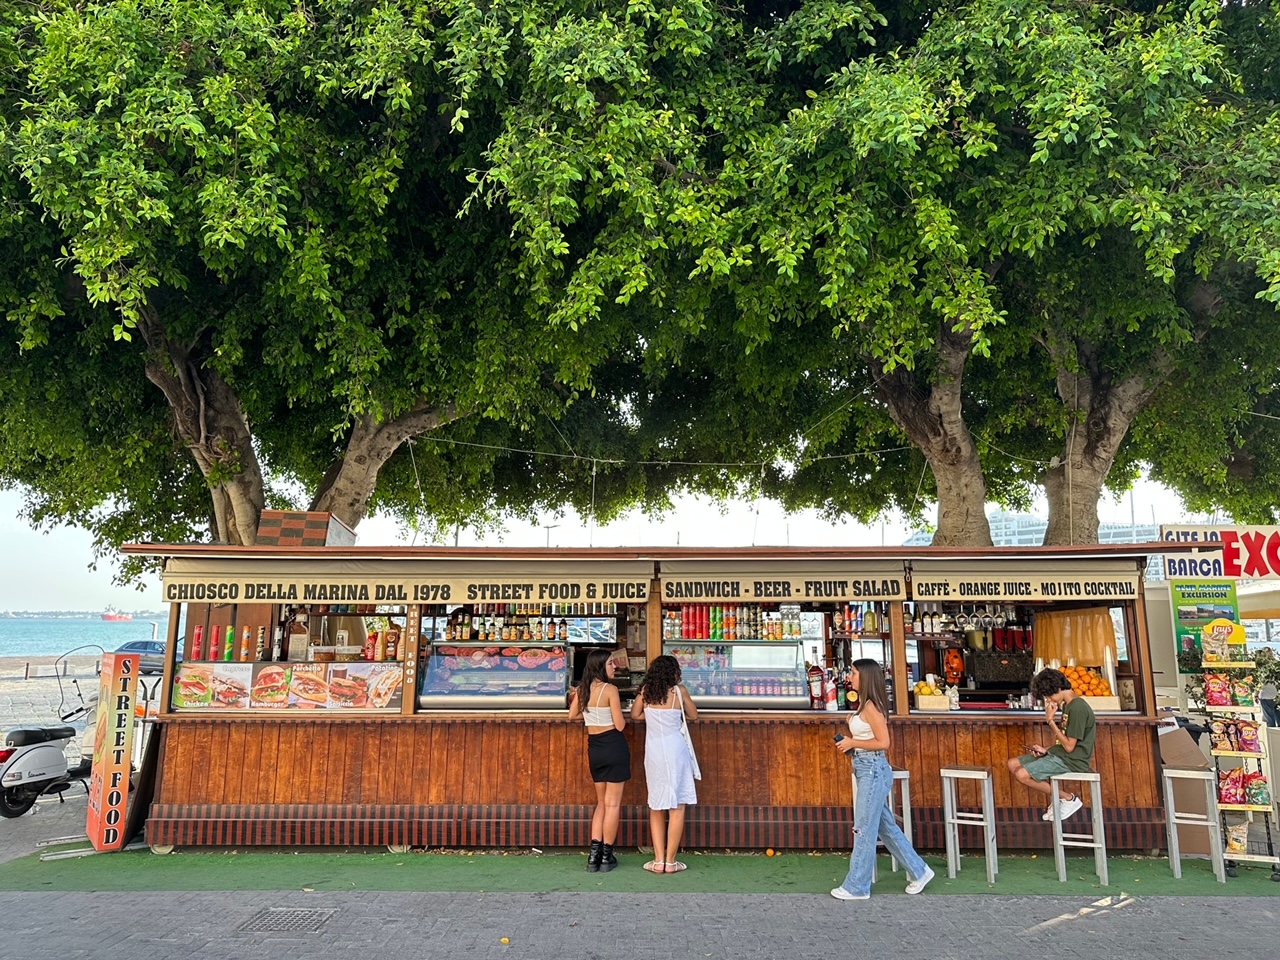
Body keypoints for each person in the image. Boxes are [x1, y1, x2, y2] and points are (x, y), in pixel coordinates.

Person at [831, 658, 934, 901]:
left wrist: (852, 741)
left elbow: (884, 742)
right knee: (885, 827)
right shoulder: (864, 705)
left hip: (873, 769)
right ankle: (920, 871)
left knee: (863, 829)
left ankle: (857, 886)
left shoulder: (870, 706)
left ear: (864, 677)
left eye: (854, 673)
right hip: (866, 767)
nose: (850, 677)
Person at [631, 655, 699, 873]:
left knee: (657, 805)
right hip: (676, 749)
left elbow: (635, 714)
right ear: (674, 673)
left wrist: (651, 716)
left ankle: (658, 860)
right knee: (678, 807)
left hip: (654, 751)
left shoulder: (646, 692)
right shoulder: (679, 692)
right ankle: (671, 862)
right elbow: (693, 715)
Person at [567, 648, 630, 872]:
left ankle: (593, 857)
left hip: (594, 749)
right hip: (613, 745)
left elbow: (572, 715)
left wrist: (584, 704)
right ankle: (606, 857)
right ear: (601, 666)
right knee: (613, 805)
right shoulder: (610, 689)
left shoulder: (583, 689)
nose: (615, 667)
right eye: (611, 663)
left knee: (601, 803)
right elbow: (620, 724)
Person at [1007, 667, 1097, 822]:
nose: (1049, 699)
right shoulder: (1069, 706)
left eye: (1050, 695)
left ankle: (1067, 799)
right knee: (1013, 763)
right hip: (1064, 755)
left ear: (1060, 688)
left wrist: (1050, 720)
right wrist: (1046, 750)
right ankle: (1059, 799)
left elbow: (1069, 746)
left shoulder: (1078, 708)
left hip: (1074, 760)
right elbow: (1065, 741)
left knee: (1022, 774)